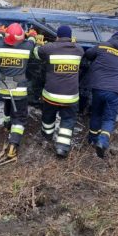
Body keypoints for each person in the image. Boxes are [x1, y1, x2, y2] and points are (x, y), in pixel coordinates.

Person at [33, 25, 84, 158]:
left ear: (57, 36)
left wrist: (38, 43)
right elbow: (78, 49)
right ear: (71, 37)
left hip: (51, 95)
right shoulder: (79, 49)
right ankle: (62, 147)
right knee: (68, 120)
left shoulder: (49, 48)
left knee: (48, 115)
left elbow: (36, 54)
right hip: (70, 97)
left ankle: (47, 135)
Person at [84, 30, 118, 158]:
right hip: (115, 90)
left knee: (96, 114)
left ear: (113, 37)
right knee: (109, 118)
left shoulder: (103, 46)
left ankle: (92, 139)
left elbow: (88, 54)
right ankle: (102, 141)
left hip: (99, 87)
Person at [0, 22, 37, 159]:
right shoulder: (26, 48)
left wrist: (1, 30)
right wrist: (31, 33)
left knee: (8, 102)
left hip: (4, 87)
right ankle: (13, 145)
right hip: (19, 89)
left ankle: (7, 124)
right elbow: (32, 39)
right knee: (20, 118)